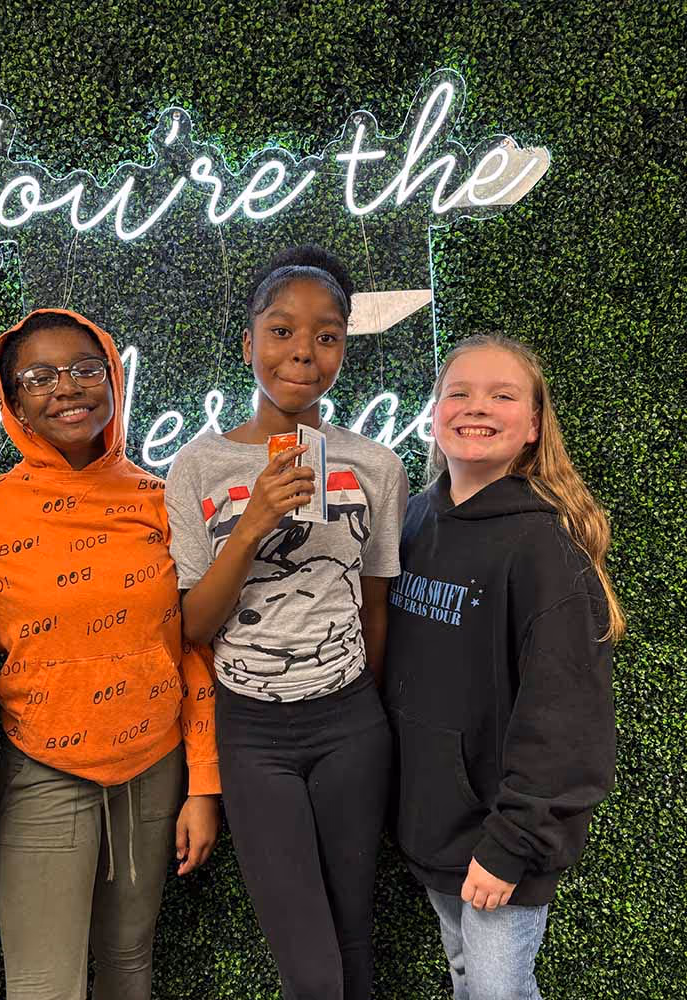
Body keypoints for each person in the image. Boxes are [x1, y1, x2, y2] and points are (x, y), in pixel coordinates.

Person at [164, 245, 408, 1000]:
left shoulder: (377, 467)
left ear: (342, 349)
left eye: (327, 335)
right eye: (282, 331)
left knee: (352, 940)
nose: (303, 351)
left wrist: (358, 703)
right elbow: (193, 626)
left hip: (350, 727)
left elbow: (376, 608)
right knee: (308, 965)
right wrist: (251, 525)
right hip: (254, 736)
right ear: (249, 344)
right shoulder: (196, 468)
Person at [0, 307, 221, 1000]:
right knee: (44, 986)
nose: (68, 388)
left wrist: (204, 784)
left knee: (128, 962)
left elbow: (190, 647)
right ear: (12, 396)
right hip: (47, 765)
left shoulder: (159, 498)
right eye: (40, 376)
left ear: (112, 379)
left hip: (154, 765)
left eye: (86, 369)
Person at [383, 334, 622, 1000]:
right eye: (458, 392)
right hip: (432, 827)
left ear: (534, 424)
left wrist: (510, 842)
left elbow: (565, 721)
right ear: (434, 412)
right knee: (466, 978)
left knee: (498, 991)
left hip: (500, 839)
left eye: (502, 394)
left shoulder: (542, 547)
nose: (475, 407)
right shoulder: (415, 519)